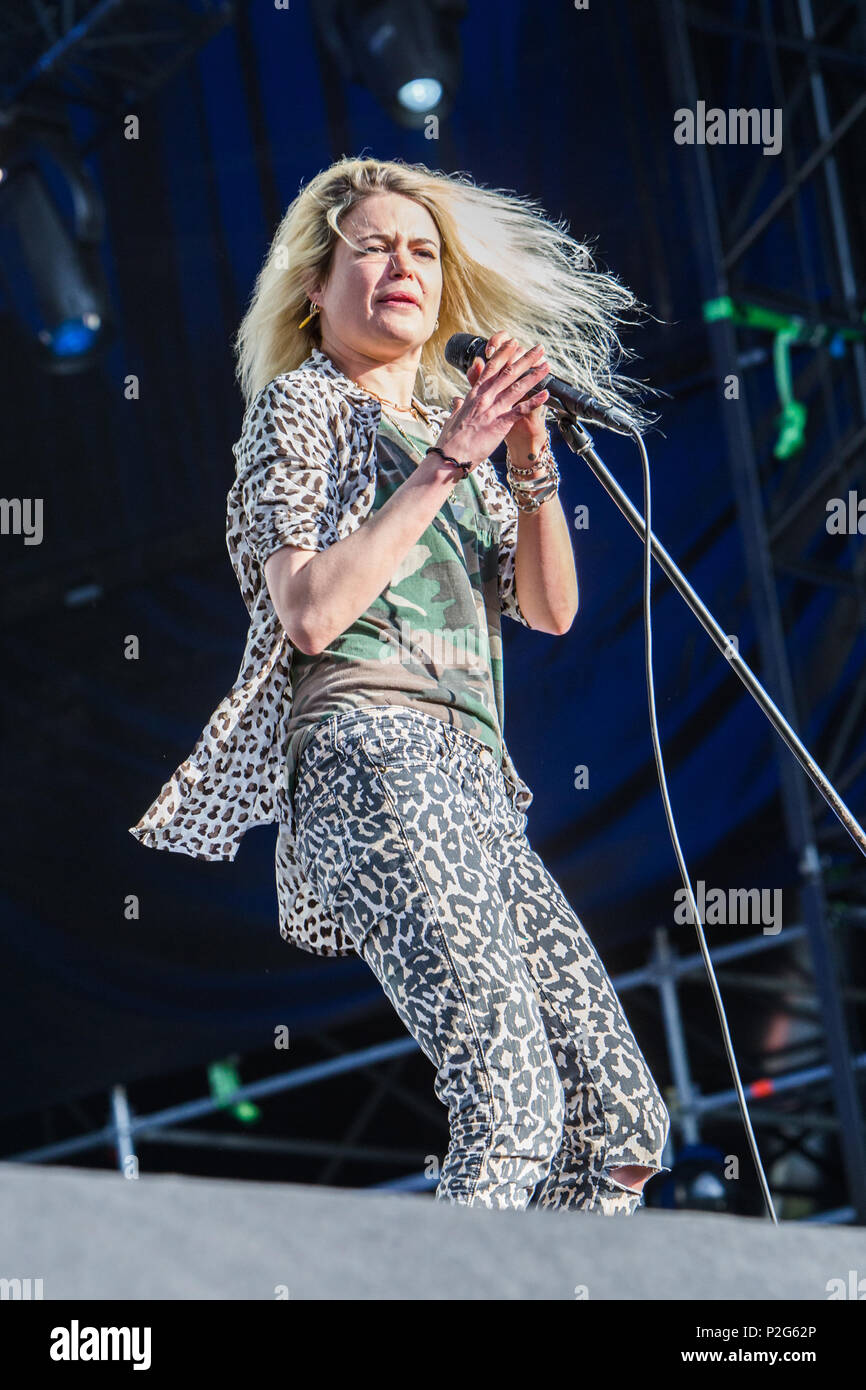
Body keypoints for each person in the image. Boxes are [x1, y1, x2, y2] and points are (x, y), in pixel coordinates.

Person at [130, 155, 670, 1213]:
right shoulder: (303, 409)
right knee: (510, 1095)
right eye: (370, 247)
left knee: (617, 1122)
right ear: (314, 289)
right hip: (368, 756)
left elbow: (550, 610)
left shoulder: (447, 435)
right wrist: (449, 462)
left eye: (420, 250)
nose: (400, 266)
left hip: (472, 780)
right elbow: (311, 610)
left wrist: (522, 458)